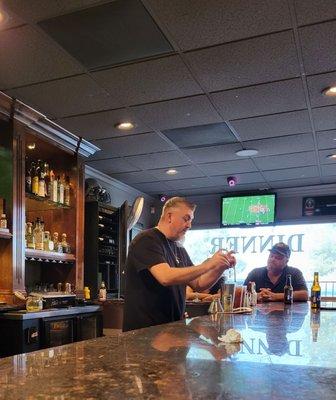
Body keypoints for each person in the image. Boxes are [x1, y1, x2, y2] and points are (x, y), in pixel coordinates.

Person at [123, 197, 236, 331]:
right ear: (170, 216)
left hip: (171, 330)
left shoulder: (178, 248)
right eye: (186, 218)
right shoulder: (147, 239)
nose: (189, 225)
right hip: (144, 332)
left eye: (191, 220)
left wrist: (220, 267)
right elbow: (166, 277)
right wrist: (208, 264)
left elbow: (199, 284)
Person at [243, 242, 308, 302]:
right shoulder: (255, 273)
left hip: (286, 313)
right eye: (271, 256)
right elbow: (242, 293)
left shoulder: (295, 273)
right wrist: (257, 296)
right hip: (258, 313)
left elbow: (305, 295)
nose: (272, 259)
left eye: (278, 258)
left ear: (286, 261)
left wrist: (275, 296)